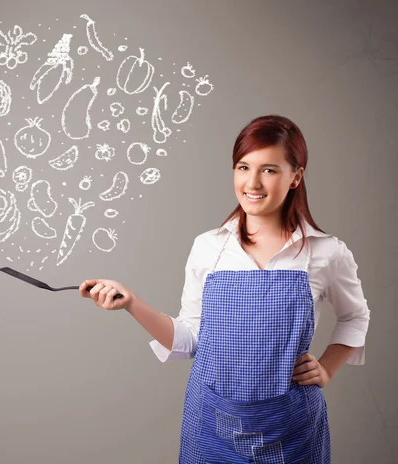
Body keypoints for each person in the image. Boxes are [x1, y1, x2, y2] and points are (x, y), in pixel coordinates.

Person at [79, 115, 370, 463]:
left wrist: (327, 367)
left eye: (269, 170)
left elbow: (355, 316)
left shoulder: (326, 252)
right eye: (243, 167)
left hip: (291, 428)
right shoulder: (208, 247)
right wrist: (131, 303)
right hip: (211, 425)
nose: (253, 182)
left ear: (296, 176)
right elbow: (190, 339)